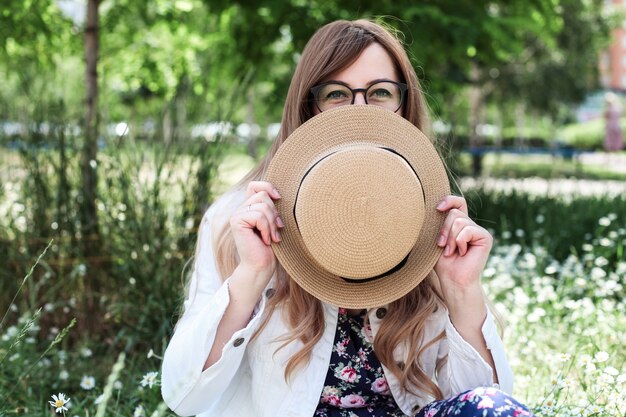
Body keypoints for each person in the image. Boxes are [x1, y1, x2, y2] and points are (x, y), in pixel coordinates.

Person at [161, 19, 534, 417]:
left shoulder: (430, 219)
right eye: (336, 93)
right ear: (307, 106)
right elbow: (183, 397)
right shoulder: (237, 220)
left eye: (380, 93)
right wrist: (251, 276)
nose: (359, 110)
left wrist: (462, 291)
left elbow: (486, 403)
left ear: (404, 105)